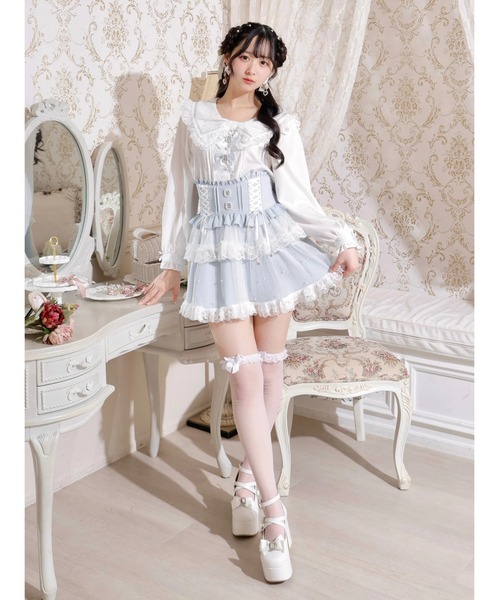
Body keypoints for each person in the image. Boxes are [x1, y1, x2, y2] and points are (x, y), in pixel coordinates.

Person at [140, 21, 359, 583]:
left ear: (272, 70)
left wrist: (342, 239)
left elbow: (299, 197)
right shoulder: (194, 119)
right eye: (245, 57)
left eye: (264, 62)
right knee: (244, 380)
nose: (253, 69)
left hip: (271, 248)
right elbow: (180, 197)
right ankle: (274, 514)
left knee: (269, 375)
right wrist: (171, 264)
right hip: (218, 257)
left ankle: (245, 478)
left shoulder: (278, 125)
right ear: (227, 57)